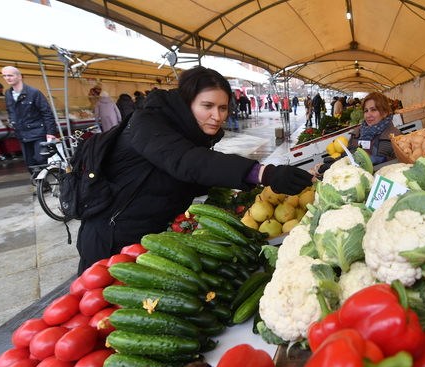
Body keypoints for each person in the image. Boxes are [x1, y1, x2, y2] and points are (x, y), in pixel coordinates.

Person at [76, 66, 313, 274]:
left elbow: (190, 174)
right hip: (111, 237)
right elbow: (187, 161)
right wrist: (262, 173)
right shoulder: (146, 122)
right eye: (207, 106)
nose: (217, 116)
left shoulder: (190, 132)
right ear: (186, 101)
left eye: (222, 108)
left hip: (152, 235)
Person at [1, 66, 58, 174]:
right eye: (4, 75)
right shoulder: (8, 94)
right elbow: (10, 111)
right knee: (30, 162)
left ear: (19, 76)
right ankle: (40, 184)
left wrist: (50, 132)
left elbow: (46, 112)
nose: (7, 78)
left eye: (10, 75)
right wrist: (12, 122)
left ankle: (43, 179)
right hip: (22, 133)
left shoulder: (33, 92)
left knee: (40, 158)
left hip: (38, 131)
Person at [346, 92, 400, 165]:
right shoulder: (356, 134)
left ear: (385, 113)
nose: (368, 115)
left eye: (373, 110)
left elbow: (403, 162)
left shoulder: (396, 136)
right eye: (366, 111)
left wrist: (384, 160)